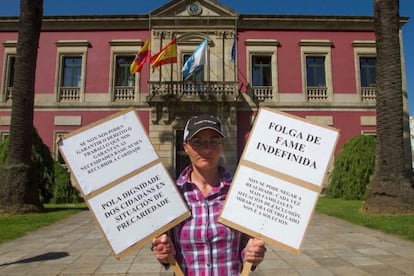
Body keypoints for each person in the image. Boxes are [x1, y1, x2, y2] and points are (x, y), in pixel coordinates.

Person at [151, 114, 266, 275]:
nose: (206, 149)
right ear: (185, 146)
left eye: (214, 141)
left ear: (222, 145)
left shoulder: (239, 193)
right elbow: (168, 249)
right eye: (197, 142)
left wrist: (251, 253)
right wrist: (163, 253)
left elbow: (245, 247)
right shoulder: (172, 195)